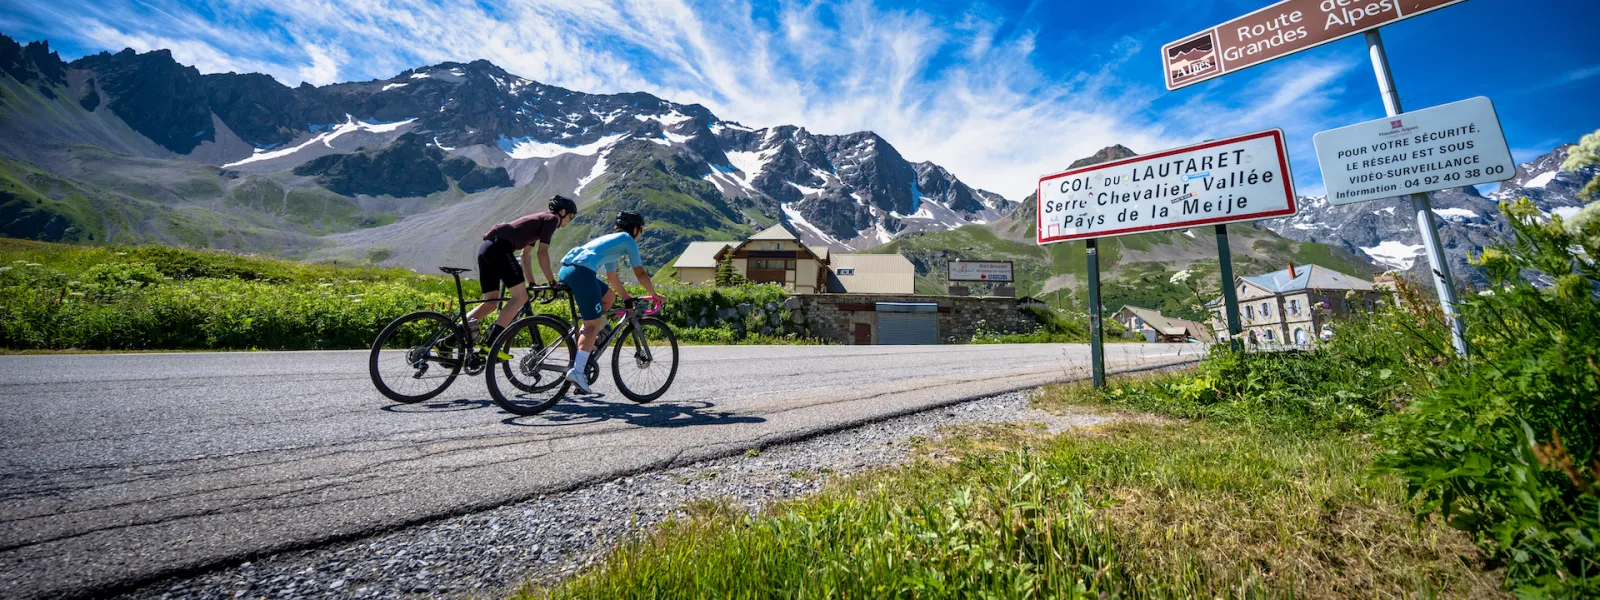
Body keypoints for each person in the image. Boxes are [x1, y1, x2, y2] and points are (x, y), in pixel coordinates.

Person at [557, 210, 661, 393]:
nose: (640, 235)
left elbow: (612, 277)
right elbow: (640, 273)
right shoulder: (627, 240)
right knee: (592, 324)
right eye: (641, 231)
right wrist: (654, 293)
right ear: (636, 229)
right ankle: (578, 371)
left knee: (609, 297)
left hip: (569, 270)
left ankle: (586, 336)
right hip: (582, 272)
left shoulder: (613, 242)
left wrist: (627, 298)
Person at [469, 195, 578, 356]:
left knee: (490, 303)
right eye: (571, 216)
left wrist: (532, 283)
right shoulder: (552, 220)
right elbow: (542, 253)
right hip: (501, 248)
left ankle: (452, 337)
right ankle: (491, 346)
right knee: (519, 298)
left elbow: (525, 255)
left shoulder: (539, 222)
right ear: (562, 212)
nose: (570, 220)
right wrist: (552, 282)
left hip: (487, 248)